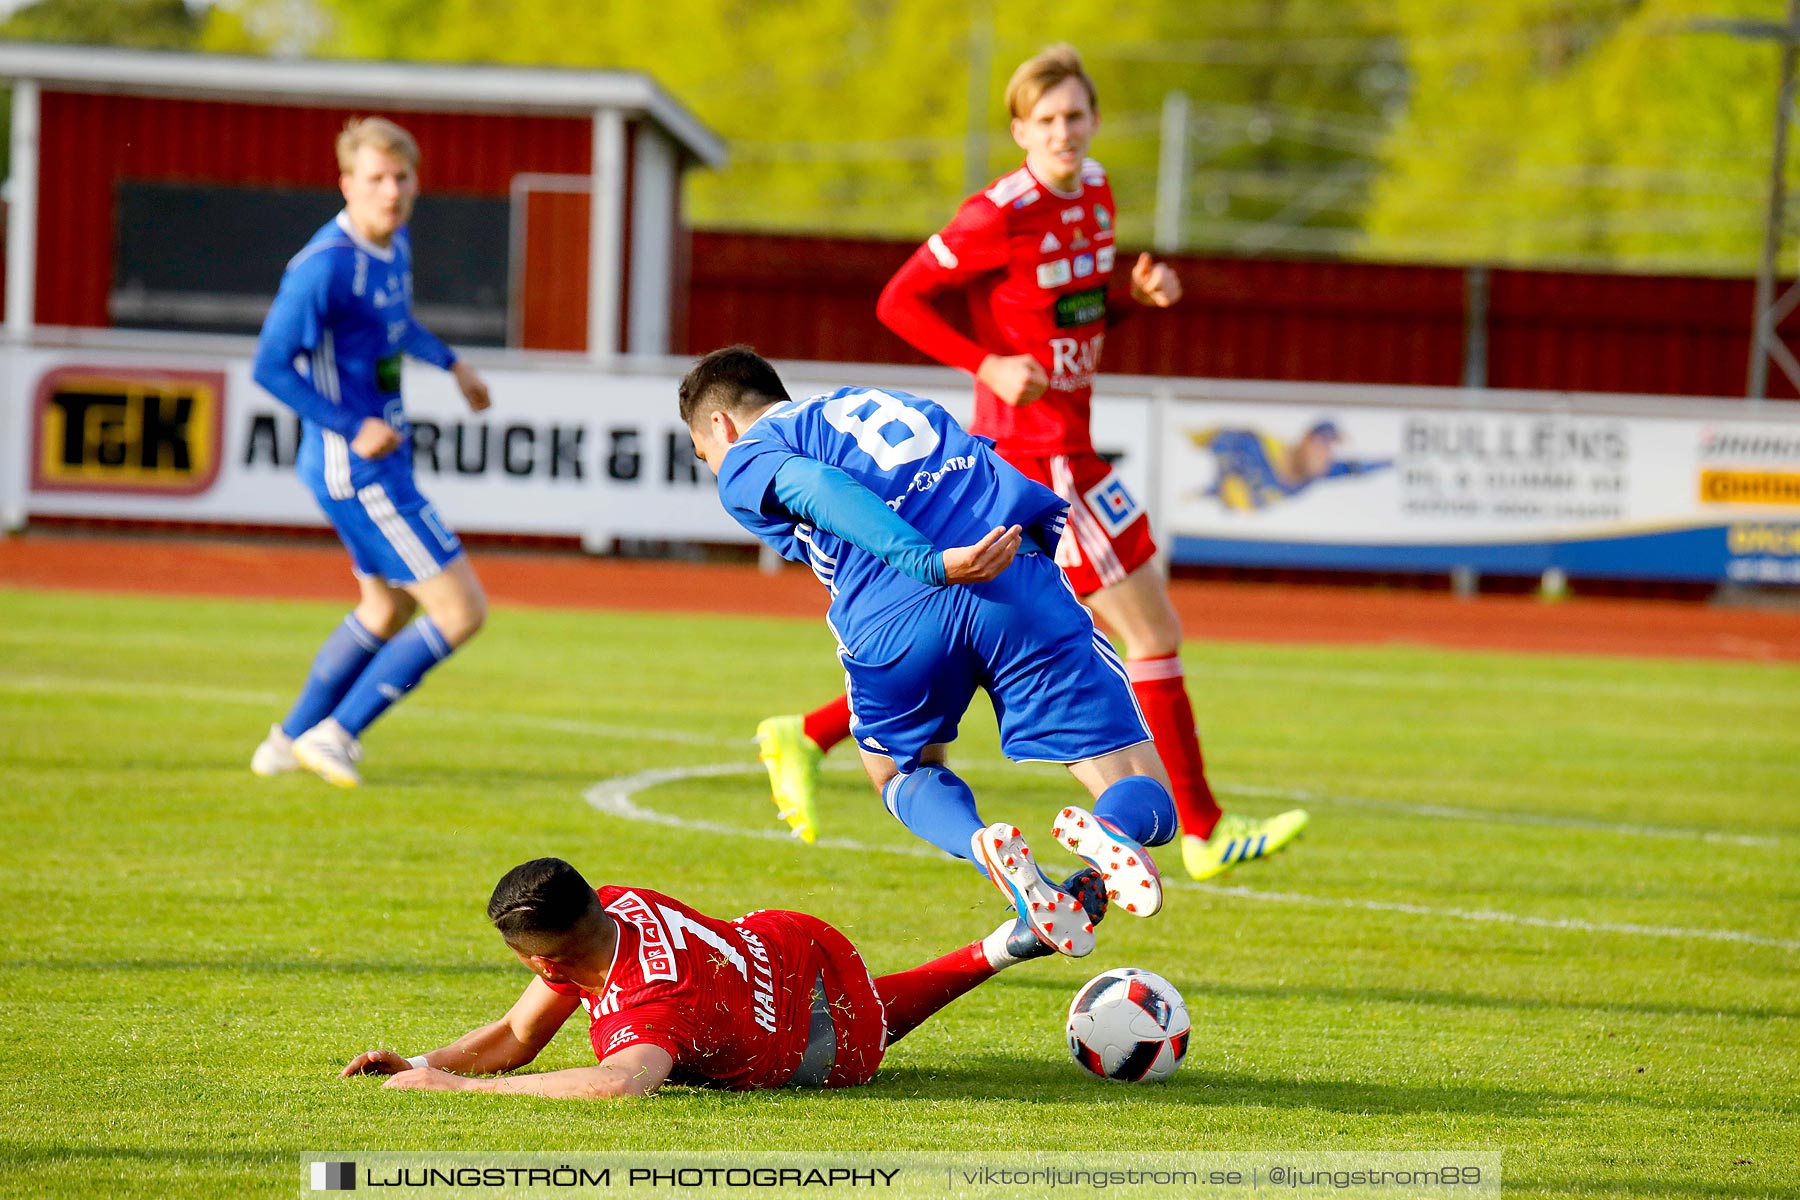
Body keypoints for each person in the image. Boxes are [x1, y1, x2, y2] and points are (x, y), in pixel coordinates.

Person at [754, 44, 1307, 882]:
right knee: (1117, 631)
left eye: (1076, 117)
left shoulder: (1096, 193)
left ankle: (812, 732)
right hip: (1026, 460)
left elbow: (1073, 313)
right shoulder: (996, 212)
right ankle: (1196, 827)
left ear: (1092, 121)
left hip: (1076, 445)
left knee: (1098, 630)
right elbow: (897, 300)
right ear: (1020, 130)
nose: (1064, 133)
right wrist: (987, 365)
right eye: (1045, 121)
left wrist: (1132, 297)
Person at [684, 346, 1175, 955]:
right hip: (1008, 571)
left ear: (719, 425)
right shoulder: (883, 401)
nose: (716, 467)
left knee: (899, 770)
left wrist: (928, 562)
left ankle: (982, 844)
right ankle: (1113, 831)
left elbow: (817, 484)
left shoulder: (748, 452)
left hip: (898, 609)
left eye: (706, 456)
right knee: (1141, 785)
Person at [342, 856, 1108, 1096]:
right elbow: (515, 1033)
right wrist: (420, 1063)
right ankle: (1004, 944)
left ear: (541, 961)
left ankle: (1002, 946)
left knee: (854, 1031)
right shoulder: (616, 905)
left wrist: (461, 1089)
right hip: (794, 941)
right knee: (856, 1010)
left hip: (819, 1042)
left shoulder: (644, 1011)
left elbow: (620, 1083)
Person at [247, 117, 491, 789]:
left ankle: (287, 738)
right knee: (461, 610)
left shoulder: (394, 246)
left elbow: (393, 325)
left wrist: (452, 363)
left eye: (401, 177)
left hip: (374, 459)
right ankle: (337, 733)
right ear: (346, 183)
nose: (391, 191)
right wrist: (350, 425)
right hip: (355, 468)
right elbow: (269, 368)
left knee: (386, 609)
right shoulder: (321, 268)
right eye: (376, 178)